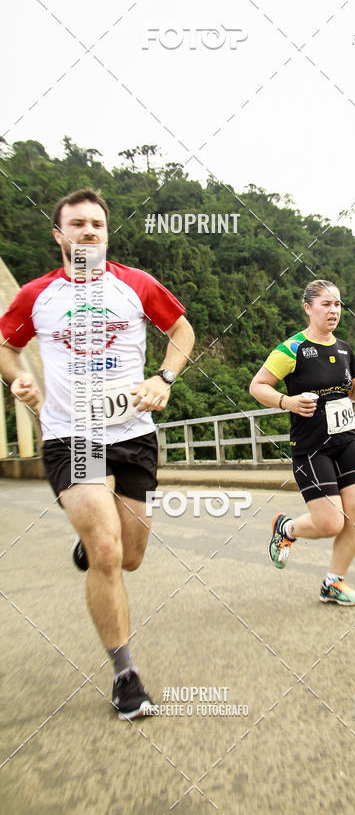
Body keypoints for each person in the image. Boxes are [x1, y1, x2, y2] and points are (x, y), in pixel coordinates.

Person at [0, 188, 195, 719]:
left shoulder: (135, 285)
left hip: (133, 435)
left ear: (107, 233)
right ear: (59, 235)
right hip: (73, 436)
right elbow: (7, 346)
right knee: (109, 551)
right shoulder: (37, 296)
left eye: (97, 225)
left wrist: (164, 376)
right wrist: (19, 379)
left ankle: (90, 548)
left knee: (129, 556)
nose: (89, 232)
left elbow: (181, 328)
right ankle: (125, 675)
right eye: (77, 224)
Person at [249, 279, 355, 606]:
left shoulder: (344, 349)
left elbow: (353, 392)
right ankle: (286, 529)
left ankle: (333, 583)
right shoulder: (291, 349)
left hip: (347, 441)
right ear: (308, 308)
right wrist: (287, 401)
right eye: (326, 304)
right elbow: (258, 386)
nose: (333, 311)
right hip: (311, 447)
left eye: (338, 304)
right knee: (330, 523)